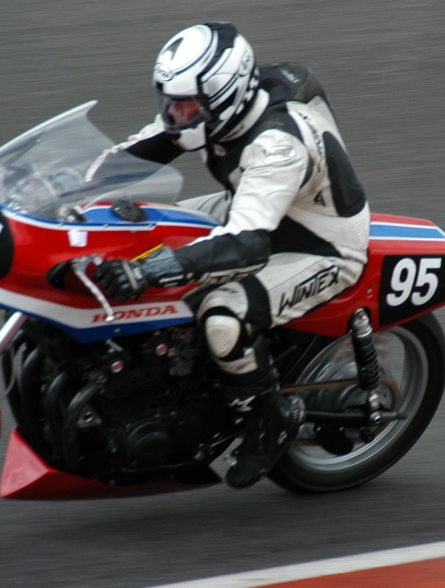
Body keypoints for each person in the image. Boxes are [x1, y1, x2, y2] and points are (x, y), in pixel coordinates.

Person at [92, 22, 370, 489]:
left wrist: (148, 271)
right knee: (141, 228)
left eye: (187, 106)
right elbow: (135, 154)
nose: (176, 115)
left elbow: (246, 244)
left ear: (224, 98)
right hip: (261, 205)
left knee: (223, 317)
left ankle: (269, 416)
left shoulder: (275, 145)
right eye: (171, 103)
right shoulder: (217, 111)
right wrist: (63, 189)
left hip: (319, 241)